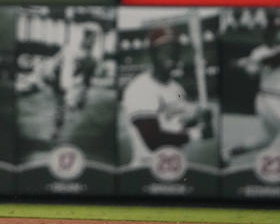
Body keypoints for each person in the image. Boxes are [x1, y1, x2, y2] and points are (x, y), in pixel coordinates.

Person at [120, 27, 213, 168]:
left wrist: (198, 118)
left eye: (175, 50)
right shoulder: (140, 88)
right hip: (147, 168)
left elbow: (177, 122)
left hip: (176, 164)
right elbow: (153, 141)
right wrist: (197, 134)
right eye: (164, 50)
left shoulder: (177, 88)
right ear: (152, 54)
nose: (171, 55)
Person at [224, 13, 280, 160]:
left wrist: (265, 59)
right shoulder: (259, 51)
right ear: (270, 32)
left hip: (275, 100)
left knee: (266, 139)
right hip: (268, 98)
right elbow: (252, 73)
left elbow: (275, 58)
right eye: (277, 30)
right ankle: (270, 164)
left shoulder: (265, 54)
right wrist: (252, 63)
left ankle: (230, 152)